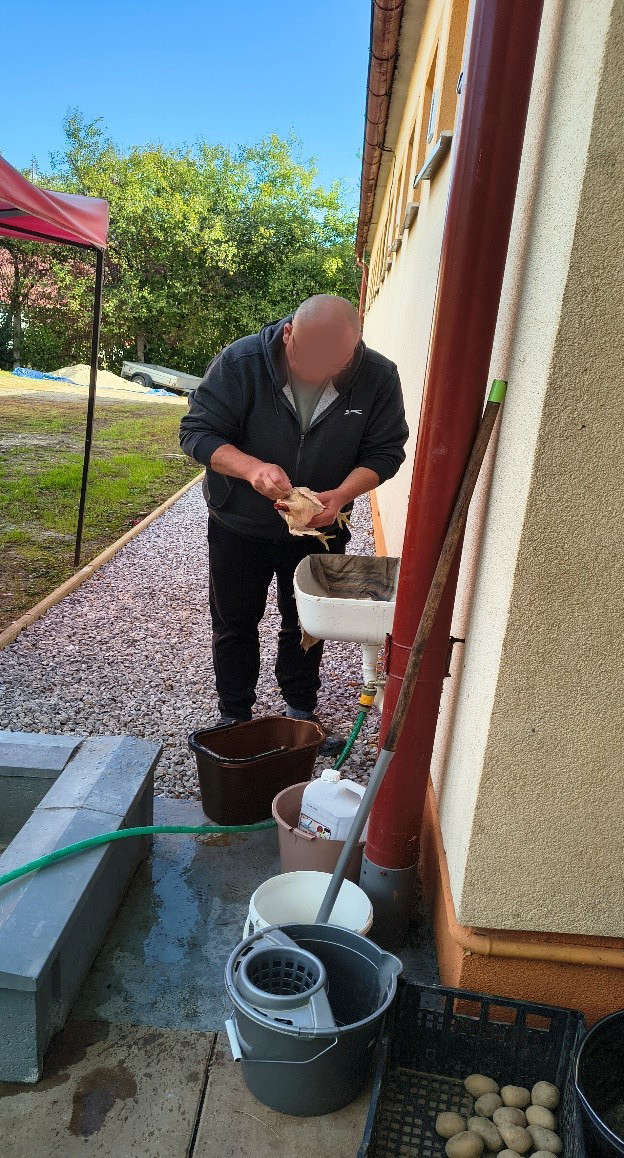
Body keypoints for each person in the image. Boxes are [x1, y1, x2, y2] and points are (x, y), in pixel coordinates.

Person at [179, 294, 408, 752]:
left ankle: (300, 712)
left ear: (355, 345)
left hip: (322, 528)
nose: (319, 373)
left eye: (335, 364)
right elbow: (197, 432)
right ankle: (234, 716)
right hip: (238, 522)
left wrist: (341, 496)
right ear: (288, 334)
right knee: (234, 620)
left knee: (306, 623)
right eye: (309, 360)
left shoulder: (378, 376)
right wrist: (251, 469)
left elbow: (386, 452)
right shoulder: (241, 362)